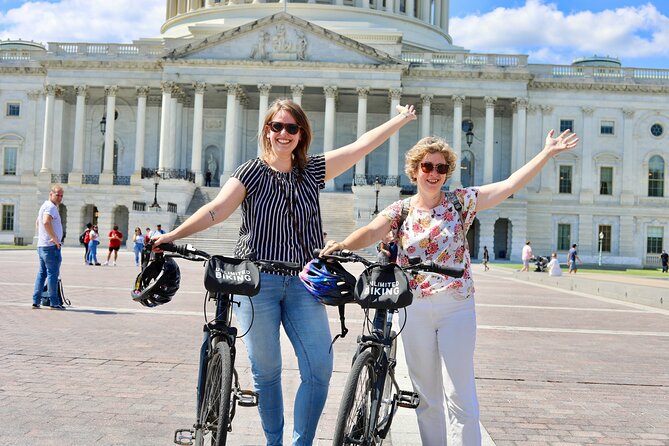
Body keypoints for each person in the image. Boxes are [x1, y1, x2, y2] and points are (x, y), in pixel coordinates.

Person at [151, 98, 417, 445]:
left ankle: (301, 442)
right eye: (277, 126)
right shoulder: (250, 172)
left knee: (319, 370)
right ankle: (274, 442)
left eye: (292, 128)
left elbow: (359, 147)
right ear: (267, 130)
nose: (284, 133)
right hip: (257, 281)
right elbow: (217, 210)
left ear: (301, 134)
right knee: (267, 372)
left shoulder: (312, 171)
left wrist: (400, 120)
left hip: (304, 283)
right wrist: (172, 235)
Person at [321, 129, 578, 445]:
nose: (434, 174)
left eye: (441, 168)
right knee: (427, 397)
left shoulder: (461, 202)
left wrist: (547, 153)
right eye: (427, 166)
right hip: (412, 308)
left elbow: (510, 185)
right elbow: (372, 230)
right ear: (415, 170)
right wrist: (343, 244)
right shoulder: (400, 211)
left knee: (461, 396)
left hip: (455, 306)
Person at [32, 185, 65, 310]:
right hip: (50, 247)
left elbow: (38, 222)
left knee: (42, 274)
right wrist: (54, 238)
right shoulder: (51, 207)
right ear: (51, 194)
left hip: (42, 245)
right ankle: (54, 302)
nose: (60, 197)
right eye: (58, 194)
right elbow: (45, 222)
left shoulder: (44, 206)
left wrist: (42, 236)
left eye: (61, 195)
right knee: (53, 274)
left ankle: (36, 300)